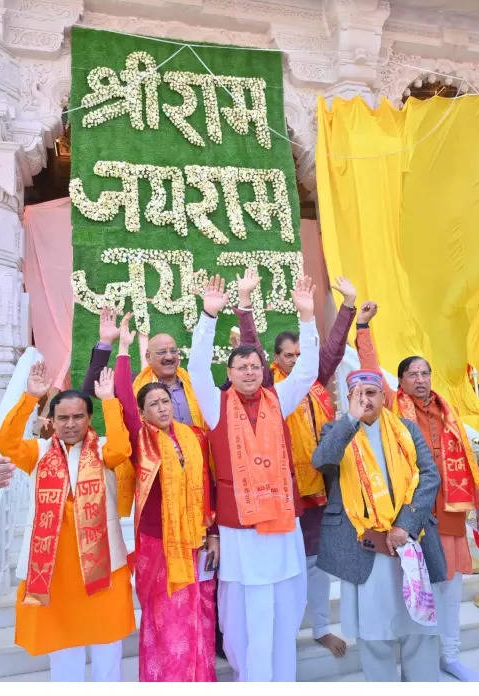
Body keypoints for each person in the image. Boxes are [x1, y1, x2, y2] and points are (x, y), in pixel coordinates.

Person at [187, 274, 318, 682]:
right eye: (240, 366)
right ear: (229, 371)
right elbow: (195, 367)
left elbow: (308, 369)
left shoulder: (280, 399)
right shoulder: (216, 405)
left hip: (281, 524)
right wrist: (209, 315)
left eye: (255, 365)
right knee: (245, 611)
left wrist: (309, 318)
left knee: (285, 605)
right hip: (241, 528)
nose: (248, 371)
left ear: (265, 369)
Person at [354, 303, 479, 681]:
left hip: (446, 516)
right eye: (411, 373)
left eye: (424, 372)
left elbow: (468, 454)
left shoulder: (449, 413)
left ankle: (449, 655)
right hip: (405, 519)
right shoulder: (393, 410)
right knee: (407, 592)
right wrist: (362, 326)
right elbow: (370, 369)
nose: (420, 378)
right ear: (398, 382)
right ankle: (413, 664)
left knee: (447, 590)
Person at [234, 270, 358, 658]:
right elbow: (249, 345)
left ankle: (320, 626)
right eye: (289, 356)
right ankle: (281, 633)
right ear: (274, 359)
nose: (295, 361)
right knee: (287, 566)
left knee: (319, 562)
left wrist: (349, 306)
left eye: (300, 356)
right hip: (283, 491)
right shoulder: (269, 388)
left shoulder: (313, 380)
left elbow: (334, 349)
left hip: (322, 485)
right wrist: (245, 305)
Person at [0, 362, 133, 681]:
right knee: (64, 652)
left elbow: (122, 448)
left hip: (104, 569)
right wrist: (30, 396)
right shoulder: (39, 452)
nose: (71, 424)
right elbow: (5, 443)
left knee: (107, 650)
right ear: (52, 421)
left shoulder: (102, 450)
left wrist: (109, 400)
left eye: (78, 416)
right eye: (63, 418)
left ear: (88, 418)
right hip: (55, 572)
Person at [102, 310, 217, 681]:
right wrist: (121, 347)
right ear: (143, 412)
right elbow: (122, 394)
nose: (163, 408)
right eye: (153, 404)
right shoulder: (141, 441)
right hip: (158, 543)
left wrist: (211, 533)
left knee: (199, 615)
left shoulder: (193, 438)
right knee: (166, 618)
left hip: (195, 540)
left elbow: (207, 487)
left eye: (166, 402)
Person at [312, 369, 444, 681]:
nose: (365, 398)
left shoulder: (406, 430)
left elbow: (430, 476)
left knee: (420, 629)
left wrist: (405, 525)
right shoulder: (336, 430)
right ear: (348, 398)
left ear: (384, 397)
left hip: (409, 543)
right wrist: (351, 420)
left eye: (371, 392)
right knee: (373, 632)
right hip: (364, 546)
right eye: (357, 393)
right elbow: (322, 461)